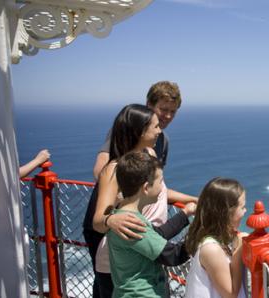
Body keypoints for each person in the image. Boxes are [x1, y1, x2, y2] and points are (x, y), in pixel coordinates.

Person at [82, 104, 195, 298]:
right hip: (122, 263)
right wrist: (110, 220)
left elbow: (158, 191)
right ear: (140, 131)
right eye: (155, 126)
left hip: (149, 249)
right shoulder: (115, 169)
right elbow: (98, 221)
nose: (160, 131)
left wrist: (194, 200)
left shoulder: (148, 155)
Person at [92, 81, 197, 206]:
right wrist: (122, 203)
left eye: (173, 111)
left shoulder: (162, 141)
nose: (168, 116)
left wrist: (194, 199)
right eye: (163, 109)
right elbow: (100, 171)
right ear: (149, 105)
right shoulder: (129, 131)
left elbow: (154, 188)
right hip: (113, 215)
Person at [108, 151, 191, 298]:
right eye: (160, 182)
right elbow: (172, 256)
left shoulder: (123, 214)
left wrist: (185, 213)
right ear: (146, 188)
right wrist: (201, 233)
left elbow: (157, 235)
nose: (162, 188)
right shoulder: (131, 223)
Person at [184, 177, 248, 298]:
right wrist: (239, 251)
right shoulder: (211, 249)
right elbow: (231, 294)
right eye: (242, 207)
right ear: (227, 212)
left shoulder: (216, 241)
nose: (245, 211)